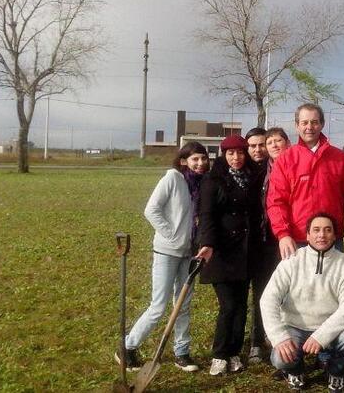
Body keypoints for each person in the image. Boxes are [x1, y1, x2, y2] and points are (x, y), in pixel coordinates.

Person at [116, 142, 209, 372]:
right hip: (167, 251)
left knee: (183, 304)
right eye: (195, 159)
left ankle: (182, 353)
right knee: (159, 306)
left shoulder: (200, 183)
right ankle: (127, 347)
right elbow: (151, 210)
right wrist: (171, 235)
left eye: (203, 159)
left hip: (189, 252)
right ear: (183, 161)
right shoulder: (173, 178)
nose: (200, 163)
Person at [260, 213, 344, 393]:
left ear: (334, 235)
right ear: (307, 235)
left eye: (327, 230)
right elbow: (268, 299)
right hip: (295, 326)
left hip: (331, 329)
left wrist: (321, 336)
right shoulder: (291, 261)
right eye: (316, 230)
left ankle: (335, 372)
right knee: (279, 358)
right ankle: (296, 371)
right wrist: (279, 337)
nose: (321, 235)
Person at [267, 103, 344, 260]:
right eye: (304, 122)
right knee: (300, 285)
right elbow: (276, 202)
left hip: (331, 238)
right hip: (297, 240)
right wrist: (283, 234)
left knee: (332, 284)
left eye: (314, 122)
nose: (309, 127)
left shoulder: (339, 158)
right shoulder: (285, 160)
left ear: (322, 124)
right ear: (297, 125)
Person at [196, 135, 259, 376]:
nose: (236, 158)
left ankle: (234, 352)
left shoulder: (252, 177)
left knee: (241, 305)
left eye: (240, 153)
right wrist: (207, 243)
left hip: (244, 251)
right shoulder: (213, 180)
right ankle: (219, 354)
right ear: (223, 154)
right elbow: (207, 216)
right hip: (221, 252)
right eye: (231, 153)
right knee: (228, 305)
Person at [246, 127, 291, 364]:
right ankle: (256, 340)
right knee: (262, 290)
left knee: (287, 291)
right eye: (253, 146)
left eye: (274, 141)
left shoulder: (288, 165)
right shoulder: (251, 171)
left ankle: (283, 338)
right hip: (261, 240)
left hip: (285, 238)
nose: (261, 148)